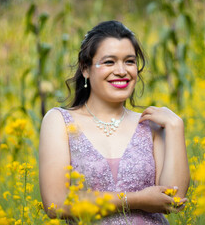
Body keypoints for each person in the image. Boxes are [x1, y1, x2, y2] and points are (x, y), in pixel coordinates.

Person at [39, 20, 190, 224]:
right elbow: (56, 203)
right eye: (109, 62)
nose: (121, 71)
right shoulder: (60, 122)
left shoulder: (150, 124)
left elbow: (174, 199)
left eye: (129, 61)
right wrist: (135, 200)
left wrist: (175, 127)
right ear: (85, 68)